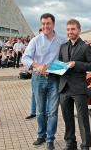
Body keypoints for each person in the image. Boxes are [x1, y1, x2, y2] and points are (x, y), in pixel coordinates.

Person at [21, 13, 68, 150]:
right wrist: (37, 66)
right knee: (40, 111)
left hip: (55, 79)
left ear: (53, 24)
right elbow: (25, 58)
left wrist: (55, 68)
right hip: (38, 79)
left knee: (53, 111)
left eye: (48, 23)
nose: (45, 26)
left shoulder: (62, 40)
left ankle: (50, 138)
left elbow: (67, 59)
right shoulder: (35, 41)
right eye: (43, 24)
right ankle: (41, 135)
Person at [59, 19, 91, 150]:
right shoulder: (63, 47)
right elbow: (60, 64)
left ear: (79, 30)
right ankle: (70, 143)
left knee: (82, 118)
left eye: (73, 29)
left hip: (78, 87)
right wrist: (50, 70)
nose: (70, 32)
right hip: (64, 87)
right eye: (68, 29)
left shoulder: (86, 47)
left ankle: (85, 145)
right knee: (67, 118)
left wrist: (76, 64)